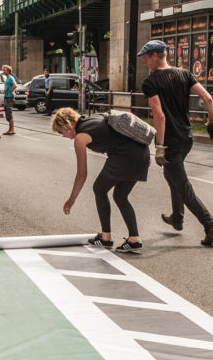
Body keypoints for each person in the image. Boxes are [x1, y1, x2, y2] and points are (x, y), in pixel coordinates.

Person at [139, 39, 213, 246]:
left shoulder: (151, 82)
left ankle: (210, 225)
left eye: (146, 57)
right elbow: (208, 98)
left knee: (183, 186)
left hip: (170, 141)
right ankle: (177, 217)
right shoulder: (184, 73)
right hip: (187, 138)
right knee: (171, 175)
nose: (144, 62)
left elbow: (159, 116)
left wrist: (159, 146)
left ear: (156, 56)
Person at [53, 107, 149, 253]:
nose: (63, 136)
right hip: (142, 152)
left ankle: (106, 238)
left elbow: (82, 174)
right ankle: (134, 239)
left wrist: (71, 199)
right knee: (120, 196)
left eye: (61, 132)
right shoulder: (94, 118)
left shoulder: (80, 137)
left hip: (124, 155)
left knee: (99, 189)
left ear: (67, 126)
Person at [1, 64, 17, 135]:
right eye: (3, 70)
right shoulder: (7, 78)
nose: (3, 71)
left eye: (4, 70)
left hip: (9, 97)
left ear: (8, 71)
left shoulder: (10, 78)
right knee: (7, 113)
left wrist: (11, 91)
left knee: (9, 113)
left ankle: (12, 129)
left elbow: (15, 85)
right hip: (7, 97)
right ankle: (10, 129)